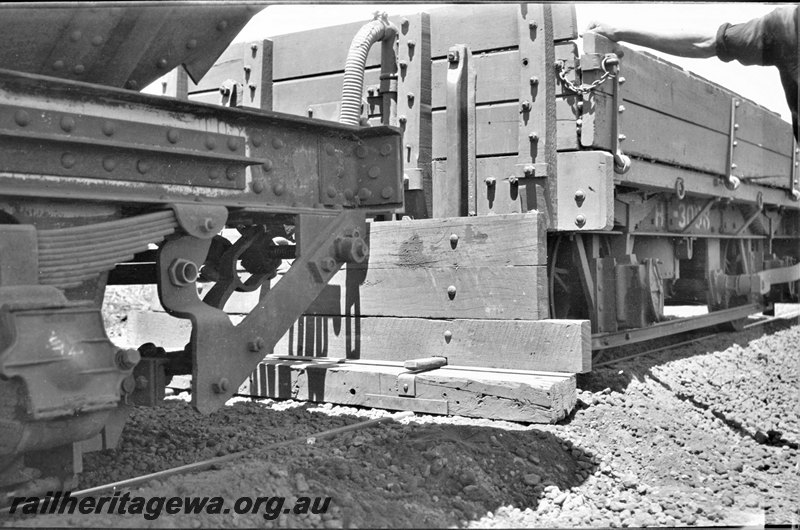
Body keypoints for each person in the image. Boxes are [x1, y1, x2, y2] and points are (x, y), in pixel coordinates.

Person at [586, 5, 798, 141]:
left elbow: (704, 44)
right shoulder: (787, 26)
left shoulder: (788, 24)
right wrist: (618, 33)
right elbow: (704, 42)